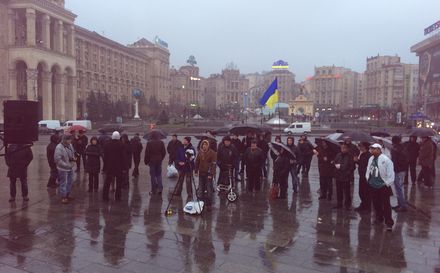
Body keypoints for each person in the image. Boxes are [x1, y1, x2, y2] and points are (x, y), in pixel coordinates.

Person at [366, 143, 395, 231]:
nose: (372, 150)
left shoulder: (386, 160)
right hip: (373, 185)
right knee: (376, 203)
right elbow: (368, 169)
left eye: (374, 149)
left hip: (383, 186)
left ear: (379, 149)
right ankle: (379, 217)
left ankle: (389, 222)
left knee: (386, 205)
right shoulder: (371, 159)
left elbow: (390, 173)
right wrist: (368, 179)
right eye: (371, 149)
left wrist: (387, 183)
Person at [195, 140, 217, 211]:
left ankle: (209, 205)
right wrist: (196, 171)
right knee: (201, 189)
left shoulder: (212, 153)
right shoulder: (200, 152)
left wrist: (211, 174)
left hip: (208, 174)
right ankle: (201, 204)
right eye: (203, 145)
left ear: (208, 146)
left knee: (208, 190)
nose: (204, 146)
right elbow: (197, 162)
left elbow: (214, 164)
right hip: (201, 173)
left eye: (206, 145)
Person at [102, 131, 124, 201]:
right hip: (119, 167)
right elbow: (123, 157)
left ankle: (105, 197)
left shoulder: (107, 145)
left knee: (107, 182)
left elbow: (105, 157)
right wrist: (124, 167)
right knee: (119, 183)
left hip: (109, 166)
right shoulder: (121, 145)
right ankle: (118, 197)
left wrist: (105, 166)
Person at [54, 134, 77, 204]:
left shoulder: (70, 145)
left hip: (70, 167)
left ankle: (67, 194)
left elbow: (72, 153)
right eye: (69, 139)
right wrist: (66, 165)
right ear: (65, 140)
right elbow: (57, 160)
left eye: (70, 139)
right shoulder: (59, 147)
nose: (70, 140)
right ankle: (63, 197)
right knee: (63, 182)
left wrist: (73, 159)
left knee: (70, 181)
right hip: (63, 168)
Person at [333, 143, 355, 210]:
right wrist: (335, 166)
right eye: (342, 147)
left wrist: (347, 173)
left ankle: (347, 205)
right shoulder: (338, 155)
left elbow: (352, 167)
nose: (343, 149)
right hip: (338, 176)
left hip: (346, 177)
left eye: (344, 148)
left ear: (347, 149)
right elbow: (335, 162)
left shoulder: (350, 156)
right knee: (339, 191)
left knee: (347, 192)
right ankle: (339, 204)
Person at [390, 136, 408, 212]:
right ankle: (400, 204)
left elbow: (394, 161)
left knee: (398, 188)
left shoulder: (395, 149)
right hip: (402, 170)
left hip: (397, 170)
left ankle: (402, 206)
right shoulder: (403, 148)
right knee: (399, 188)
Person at [354, 142, 372, 212]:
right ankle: (363, 205)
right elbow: (361, 164)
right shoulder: (362, 155)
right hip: (361, 176)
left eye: (361, 146)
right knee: (361, 192)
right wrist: (356, 161)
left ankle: (367, 208)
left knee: (366, 192)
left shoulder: (369, 156)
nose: (359, 147)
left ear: (365, 147)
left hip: (367, 177)